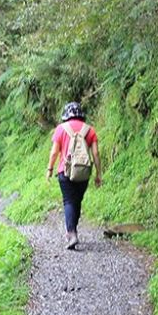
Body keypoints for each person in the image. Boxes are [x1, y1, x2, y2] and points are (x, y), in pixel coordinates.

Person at [46, 101, 102, 249]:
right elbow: (95, 153)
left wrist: (50, 169)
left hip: (65, 171)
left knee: (68, 201)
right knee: (76, 200)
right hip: (83, 172)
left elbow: (54, 152)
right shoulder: (90, 130)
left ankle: (71, 234)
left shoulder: (60, 129)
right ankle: (73, 230)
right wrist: (98, 174)